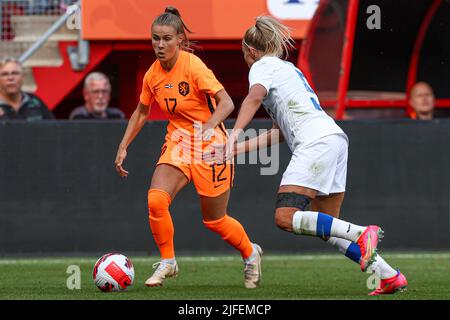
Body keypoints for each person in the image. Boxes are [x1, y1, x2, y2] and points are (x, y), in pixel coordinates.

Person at [225, 16, 407, 295]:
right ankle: (388, 275)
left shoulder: (261, 66)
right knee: (329, 228)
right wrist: (236, 150)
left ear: (249, 50)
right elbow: (280, 132)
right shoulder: (288, 70)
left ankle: (361, 232)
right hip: (333, 139)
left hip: (316, 142)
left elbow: (253, 98)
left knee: (285, 217)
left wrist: (234, 133)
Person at [114, 7, 262, 289]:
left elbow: (228, 103)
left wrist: (208, 128)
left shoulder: (193, 66)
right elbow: (142, 112)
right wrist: (123, 145)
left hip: (210, 146)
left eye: (166, 39)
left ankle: (250, 252)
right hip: (179, 142)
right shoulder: (152, 75)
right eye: (155, 39)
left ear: (180, 39)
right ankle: (168, 262)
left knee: (215, 220)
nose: (159, 45)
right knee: (156, 200)